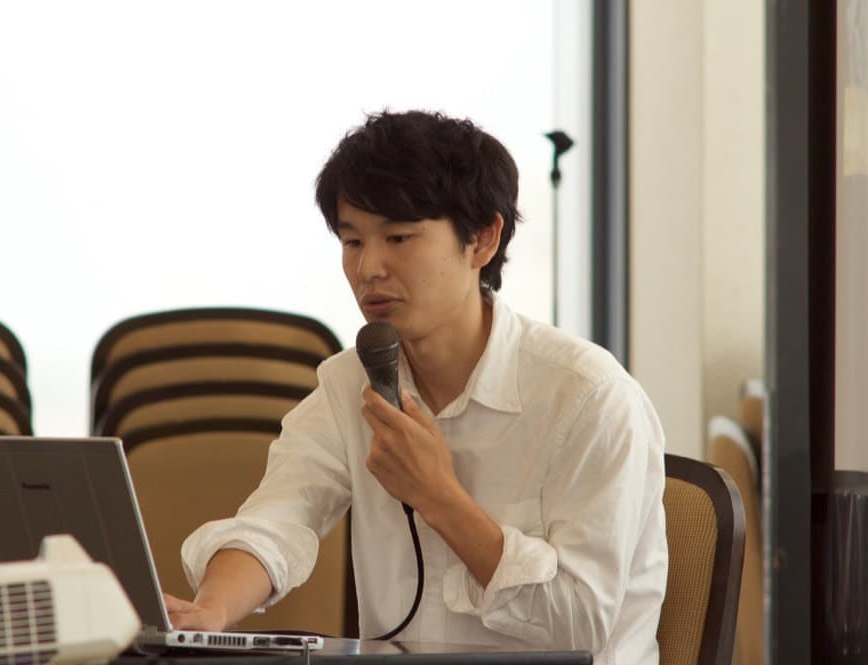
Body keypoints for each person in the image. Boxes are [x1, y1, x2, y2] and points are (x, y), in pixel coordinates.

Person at [164, 110, 667, 665]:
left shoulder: (589, 397)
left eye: (398, 237)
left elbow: (583, 622)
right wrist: (210, 614)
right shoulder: (352, 383)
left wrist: (438, 496)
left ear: (482, 239)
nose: (368, 268)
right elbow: (277, 520)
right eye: (352, 241)